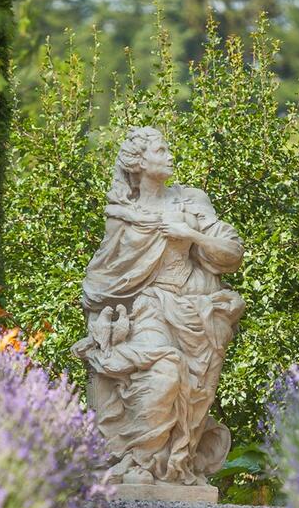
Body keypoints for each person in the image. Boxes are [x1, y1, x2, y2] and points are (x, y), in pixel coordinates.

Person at [73, 127, 245, 486]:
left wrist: (192, 236)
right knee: (166, 371)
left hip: (198, 315)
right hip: (147, 311)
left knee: (194, 397)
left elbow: (232, 253)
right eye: (161, 150)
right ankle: (138, 461)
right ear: (139, 162)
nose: (169, 155)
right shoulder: (122, 216)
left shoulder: (190, 201)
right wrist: (104, 325)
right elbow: (104, 277)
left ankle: (173, 465)